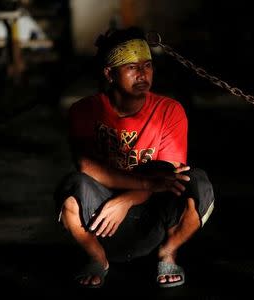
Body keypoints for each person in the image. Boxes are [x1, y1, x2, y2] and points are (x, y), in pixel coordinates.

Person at [54, 26, 215, 289]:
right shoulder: (85, 110)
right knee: (73, 186)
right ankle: (97, 259)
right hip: (103, 222)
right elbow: (87, 166)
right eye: (132, 67)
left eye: (148, 65)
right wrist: (142, 187)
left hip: (155, 220)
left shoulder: (169, 110)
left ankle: (168, 253)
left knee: (197, 182)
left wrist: (128, 199)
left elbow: (170, 177)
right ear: (109, 73)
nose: (143, 74)